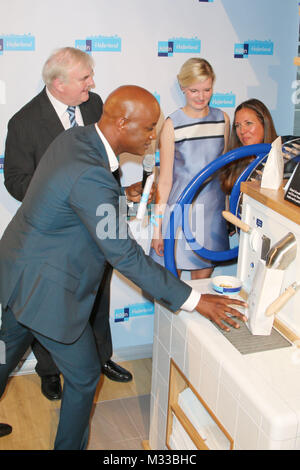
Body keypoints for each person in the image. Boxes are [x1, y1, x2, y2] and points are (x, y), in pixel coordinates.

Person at [0, 85, 247, 449]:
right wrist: (195, 299)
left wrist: (123, 196)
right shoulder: (92, 174)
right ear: (122, 122)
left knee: (4, 356)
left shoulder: (77, 140)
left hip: (18, 270)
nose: (152, 137)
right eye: (148, 128)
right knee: (84, 375)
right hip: (45, 288)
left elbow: (81, 204)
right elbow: (124, 254)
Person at [3, 47, 132, 403]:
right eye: (84, 78)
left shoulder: (94, 105)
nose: (92, 83)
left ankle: (100, 359)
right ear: (58, 84)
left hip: (98, 226)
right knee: (48, 309)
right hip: (55, 236)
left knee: (97, 297)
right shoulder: (24, 121)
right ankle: (49, 371)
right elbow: (14, 179)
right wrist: (64, 194)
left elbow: (107, 160)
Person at [150, 58, 230, 280]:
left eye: (207, 89)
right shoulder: (171, 124)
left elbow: (223, 172)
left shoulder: (222, 119)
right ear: (182, 87)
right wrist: (157, 231)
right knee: (171, 291)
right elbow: (164, 182)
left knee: (202, 292)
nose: (201, 96)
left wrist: (227, 215)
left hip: (212, 215)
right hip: (180, 212)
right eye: (194, 90)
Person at [219, 98, 278, 194]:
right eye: (237, 125)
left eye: (248, 123)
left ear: (264, 124)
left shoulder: (284, 159)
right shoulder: (234, 161)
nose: (242, 131)